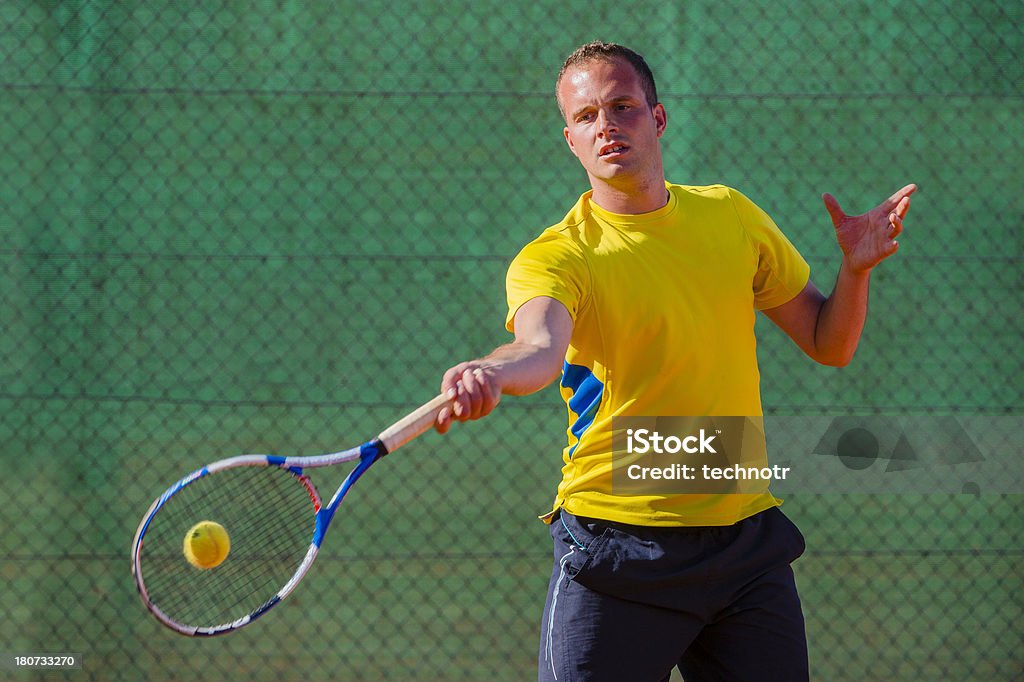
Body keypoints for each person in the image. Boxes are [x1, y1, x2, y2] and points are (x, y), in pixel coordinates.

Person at [434, 41, 915, 682]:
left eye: (622, 106)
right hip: (617, 549)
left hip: (744, 545)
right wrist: (492, 372)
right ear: (570, 140)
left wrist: (855, 272)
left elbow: (831, 343)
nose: (605, 125)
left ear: (656, 120)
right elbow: (537, 348)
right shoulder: (556, 257)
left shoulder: (730, 217)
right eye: (586, 117)